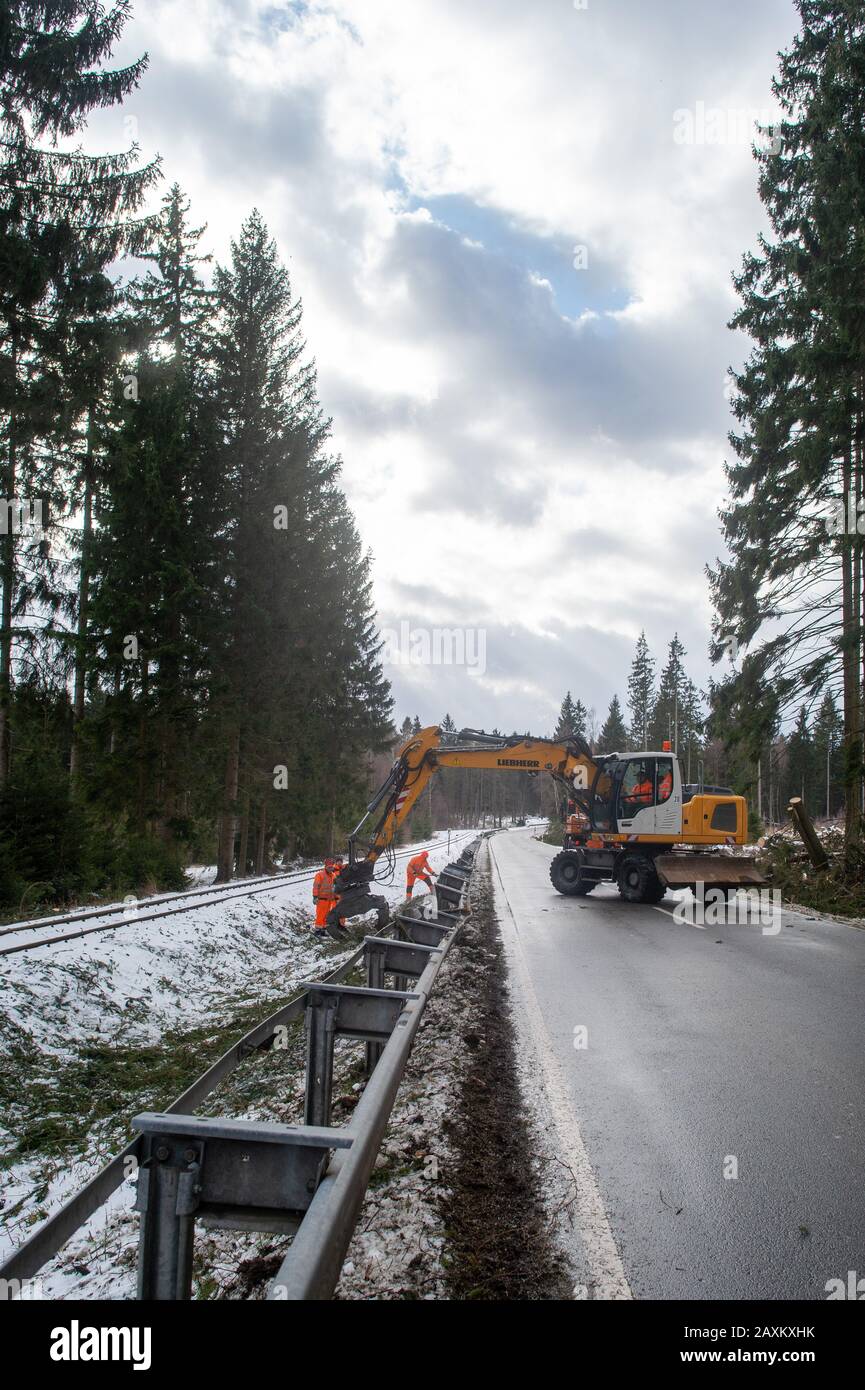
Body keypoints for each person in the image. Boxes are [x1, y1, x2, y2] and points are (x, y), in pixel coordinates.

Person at [312, 857, 338, 934]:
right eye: (329, 867)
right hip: (321, 899)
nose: (331, 868)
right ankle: (318, 930)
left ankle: (323, 929)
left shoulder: (333, 875)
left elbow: (334, 887)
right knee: (320, 915)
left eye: (332, 867)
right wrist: (315, 896)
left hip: (329, 899)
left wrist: (335, 896)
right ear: (325, 867)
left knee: (326, 916)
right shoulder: (319, 875)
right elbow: (316, 886)